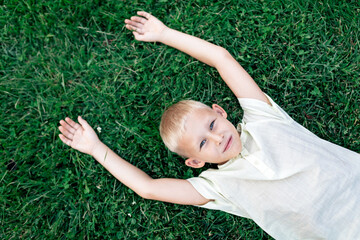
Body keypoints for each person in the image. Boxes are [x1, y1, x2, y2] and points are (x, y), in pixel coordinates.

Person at [58, 11, 360, 240]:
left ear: (221, 111)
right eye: (203, 143)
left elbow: (220, 58)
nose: (217, 137)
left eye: (212, 124)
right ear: (195, 161)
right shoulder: (218, 186)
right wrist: (95, 148)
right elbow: (147, 188)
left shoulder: (263, 119)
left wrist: (164, 33)